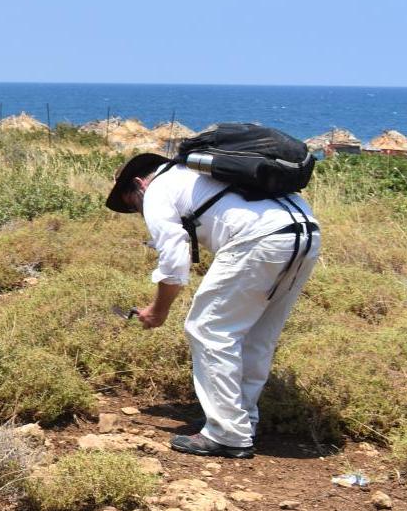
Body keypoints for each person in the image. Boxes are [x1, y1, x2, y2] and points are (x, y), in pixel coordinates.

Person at [107, 153, 320, 459]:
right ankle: (240, 419)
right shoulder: (198, 174)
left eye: (130, 204)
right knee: (257, 334)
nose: (136, 211)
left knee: (207, 329)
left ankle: (227, 433)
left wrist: (158, 310)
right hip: (306, 232)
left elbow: (174, 258)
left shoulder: (156, 190)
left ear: (139, 184)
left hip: (259, 239)